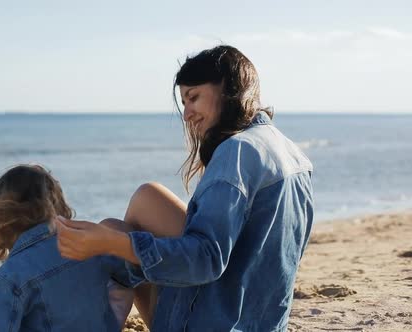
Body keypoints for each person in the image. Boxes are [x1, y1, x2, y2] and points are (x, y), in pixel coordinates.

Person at [55, 45, 314, 331]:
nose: (187, 114)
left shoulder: (236, 152)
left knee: (114, 235)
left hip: (219, 320)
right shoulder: (291, 152)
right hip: (260, 319)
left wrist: (110, 243)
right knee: (145, 198)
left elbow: (207, 260)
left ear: (228, 88)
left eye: (193, 98)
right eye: (184, 102)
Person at [0, 164, 134, 332]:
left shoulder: (6, 280)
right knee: (118, 280)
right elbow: (128, 275)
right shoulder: (87, 248)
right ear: (58, 206)